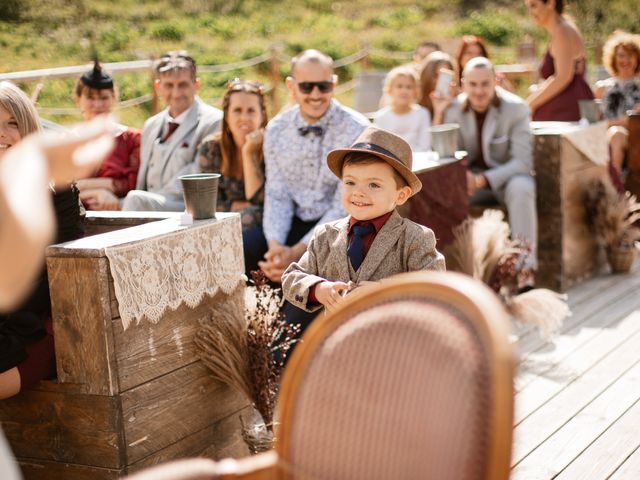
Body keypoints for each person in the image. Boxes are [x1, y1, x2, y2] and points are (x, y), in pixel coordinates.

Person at [0, 82, 113, 399]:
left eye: (12, 124)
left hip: (32, 325)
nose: (3, 134)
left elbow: (65, 257)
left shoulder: (55, 191)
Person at [282, 126, 445, 339]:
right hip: (338, 346)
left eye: (374, 185)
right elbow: (291, 278)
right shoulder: (326, 235)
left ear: (401, 195)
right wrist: (319, 289)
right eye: (350, 182)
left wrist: (383, 292)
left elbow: (436, 288)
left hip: (396, 350)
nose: (358, 192)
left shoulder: (415, 238)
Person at [244, 49, 369, 282]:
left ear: (334, 83)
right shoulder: (277, 129)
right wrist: (276, 248)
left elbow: (345, 204)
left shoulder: (357, 129)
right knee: (248, 245)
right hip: (294, 220)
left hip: (343, 226)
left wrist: (296, 253)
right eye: (306, 86)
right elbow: (277, 193)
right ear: (291, 86)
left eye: (323, 86)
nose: (315, 94)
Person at [433, 57, 538, 270]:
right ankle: (448, 270)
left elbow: (523, 162)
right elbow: (445, 156)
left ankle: (523, 268)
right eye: (472, 84)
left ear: (495, 83)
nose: (479, 91)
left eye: (485, 84)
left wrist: (483, 179)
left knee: (522, 187)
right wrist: (438, 113)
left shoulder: (516, 109)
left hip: (506, 180)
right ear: (463, 84)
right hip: (469, 183)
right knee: (437, 192)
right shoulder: (452, 109)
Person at [122, 51, 222, 211]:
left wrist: (145, 201)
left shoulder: (214, 122)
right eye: (169, 85)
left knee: (134, 199)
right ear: (157, 87)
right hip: (147, 205)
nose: (176, 94)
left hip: (187, 208)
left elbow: (198, 177)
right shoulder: (151, 125)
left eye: (182, 85)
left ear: (196, 85)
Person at [198, 79, 267, 231]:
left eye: (251, 110)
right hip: (221, 226)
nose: (244, 117)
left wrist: (249, 153)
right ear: (226, 115)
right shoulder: (211, 148)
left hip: (263, 228)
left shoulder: (272, 147)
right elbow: (207, 203)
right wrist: (242, 207)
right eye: (237, 110)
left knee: (251, 215)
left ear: (262, 115)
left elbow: (262, 201)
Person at [73, 61, 141, 210]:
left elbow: (136, 182)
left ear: (114, 99)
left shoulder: (132, 139)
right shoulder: (67, 141)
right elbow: (56, 189)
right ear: (78, 99)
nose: (97, 105)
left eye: (104, 98)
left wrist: (83, 185)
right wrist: (98, 192)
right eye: (90, 97)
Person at [525, 0, 594, 121]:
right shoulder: (561, 30)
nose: (530, 13)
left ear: (550, 3)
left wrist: (529, 104)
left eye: (533, 6)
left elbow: (563, 77)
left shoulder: (563, 31)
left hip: (566, 112)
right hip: (564, 109)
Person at [598, 31, 640, 176]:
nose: (625, 60)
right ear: (614, 58)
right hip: (603, 136)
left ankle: (614, 187)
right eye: (621, 55)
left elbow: (634, 121)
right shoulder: (602, 88)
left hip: (633, 139)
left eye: (630, 56)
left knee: (617, 134)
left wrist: (609, 124)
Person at [373, 66, 431, 151]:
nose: (404, 91)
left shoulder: (422, 114)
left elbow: (425, 146)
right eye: (399, 86)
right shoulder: (381, 117)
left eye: (409, 87)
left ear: (415, 91)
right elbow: (379, 147)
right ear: (389, 89)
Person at [418, 51, 456, 118]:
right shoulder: (415, 102)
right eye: (435, 76)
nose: (439, 80)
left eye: (444, 76)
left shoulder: (456, 103)